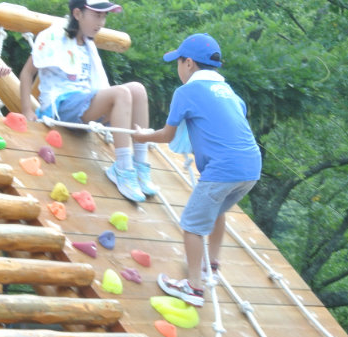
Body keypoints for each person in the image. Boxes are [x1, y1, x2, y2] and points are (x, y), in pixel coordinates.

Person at [133, 33, 262, 307]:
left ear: (188, 63)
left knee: (191, 225)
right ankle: (210, 264)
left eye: (178, 63)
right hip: (251, 167)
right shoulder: (230, 93)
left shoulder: (187, 91)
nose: (178, 69)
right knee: (216, 211)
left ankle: (193, 287)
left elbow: (168, 136)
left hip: (223, 169)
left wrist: (142, 136)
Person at [19, 0, 156, 202]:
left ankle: (140, 164)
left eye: (104, 16)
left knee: (138, 89)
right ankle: (123, 168)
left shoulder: (87, 44)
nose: (101, 22)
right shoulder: (54, 36)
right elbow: (27, 73)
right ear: (77, 13)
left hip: (83, 106)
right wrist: (27, 111)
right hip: (61, 106)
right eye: (96, 15)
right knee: (121, 93)